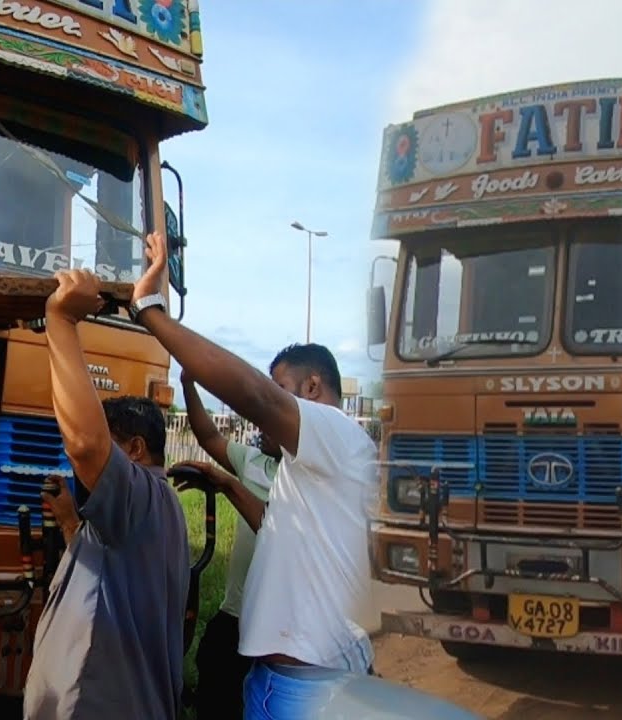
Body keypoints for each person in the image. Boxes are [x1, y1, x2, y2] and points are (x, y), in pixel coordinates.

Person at [131, 232, 377, 720]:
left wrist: (150, 312)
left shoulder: (335, 433)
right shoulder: (309, 462)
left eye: (283, 388)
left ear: (312, 386)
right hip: (283, 679)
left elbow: (255, 398)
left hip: (313, 686)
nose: (274, 401)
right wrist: (225, 483)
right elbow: (276, 526)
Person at [22, 268, 190, 720]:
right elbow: (114, 576)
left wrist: (60, 320)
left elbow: (86, 444)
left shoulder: (142, 497)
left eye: (114, 444)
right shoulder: (144, 512)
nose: (89, 470)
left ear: (134, 450)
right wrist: (71, 523)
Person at [180, 371, 278, 718]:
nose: (261, 425)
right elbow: (207, 435)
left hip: (277, 624)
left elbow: (277, 528)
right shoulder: (251, 462)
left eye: (271, 419)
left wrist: (226, 484)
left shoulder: (307, 478)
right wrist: (188, 385)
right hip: (234, 614)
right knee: (215, 687)